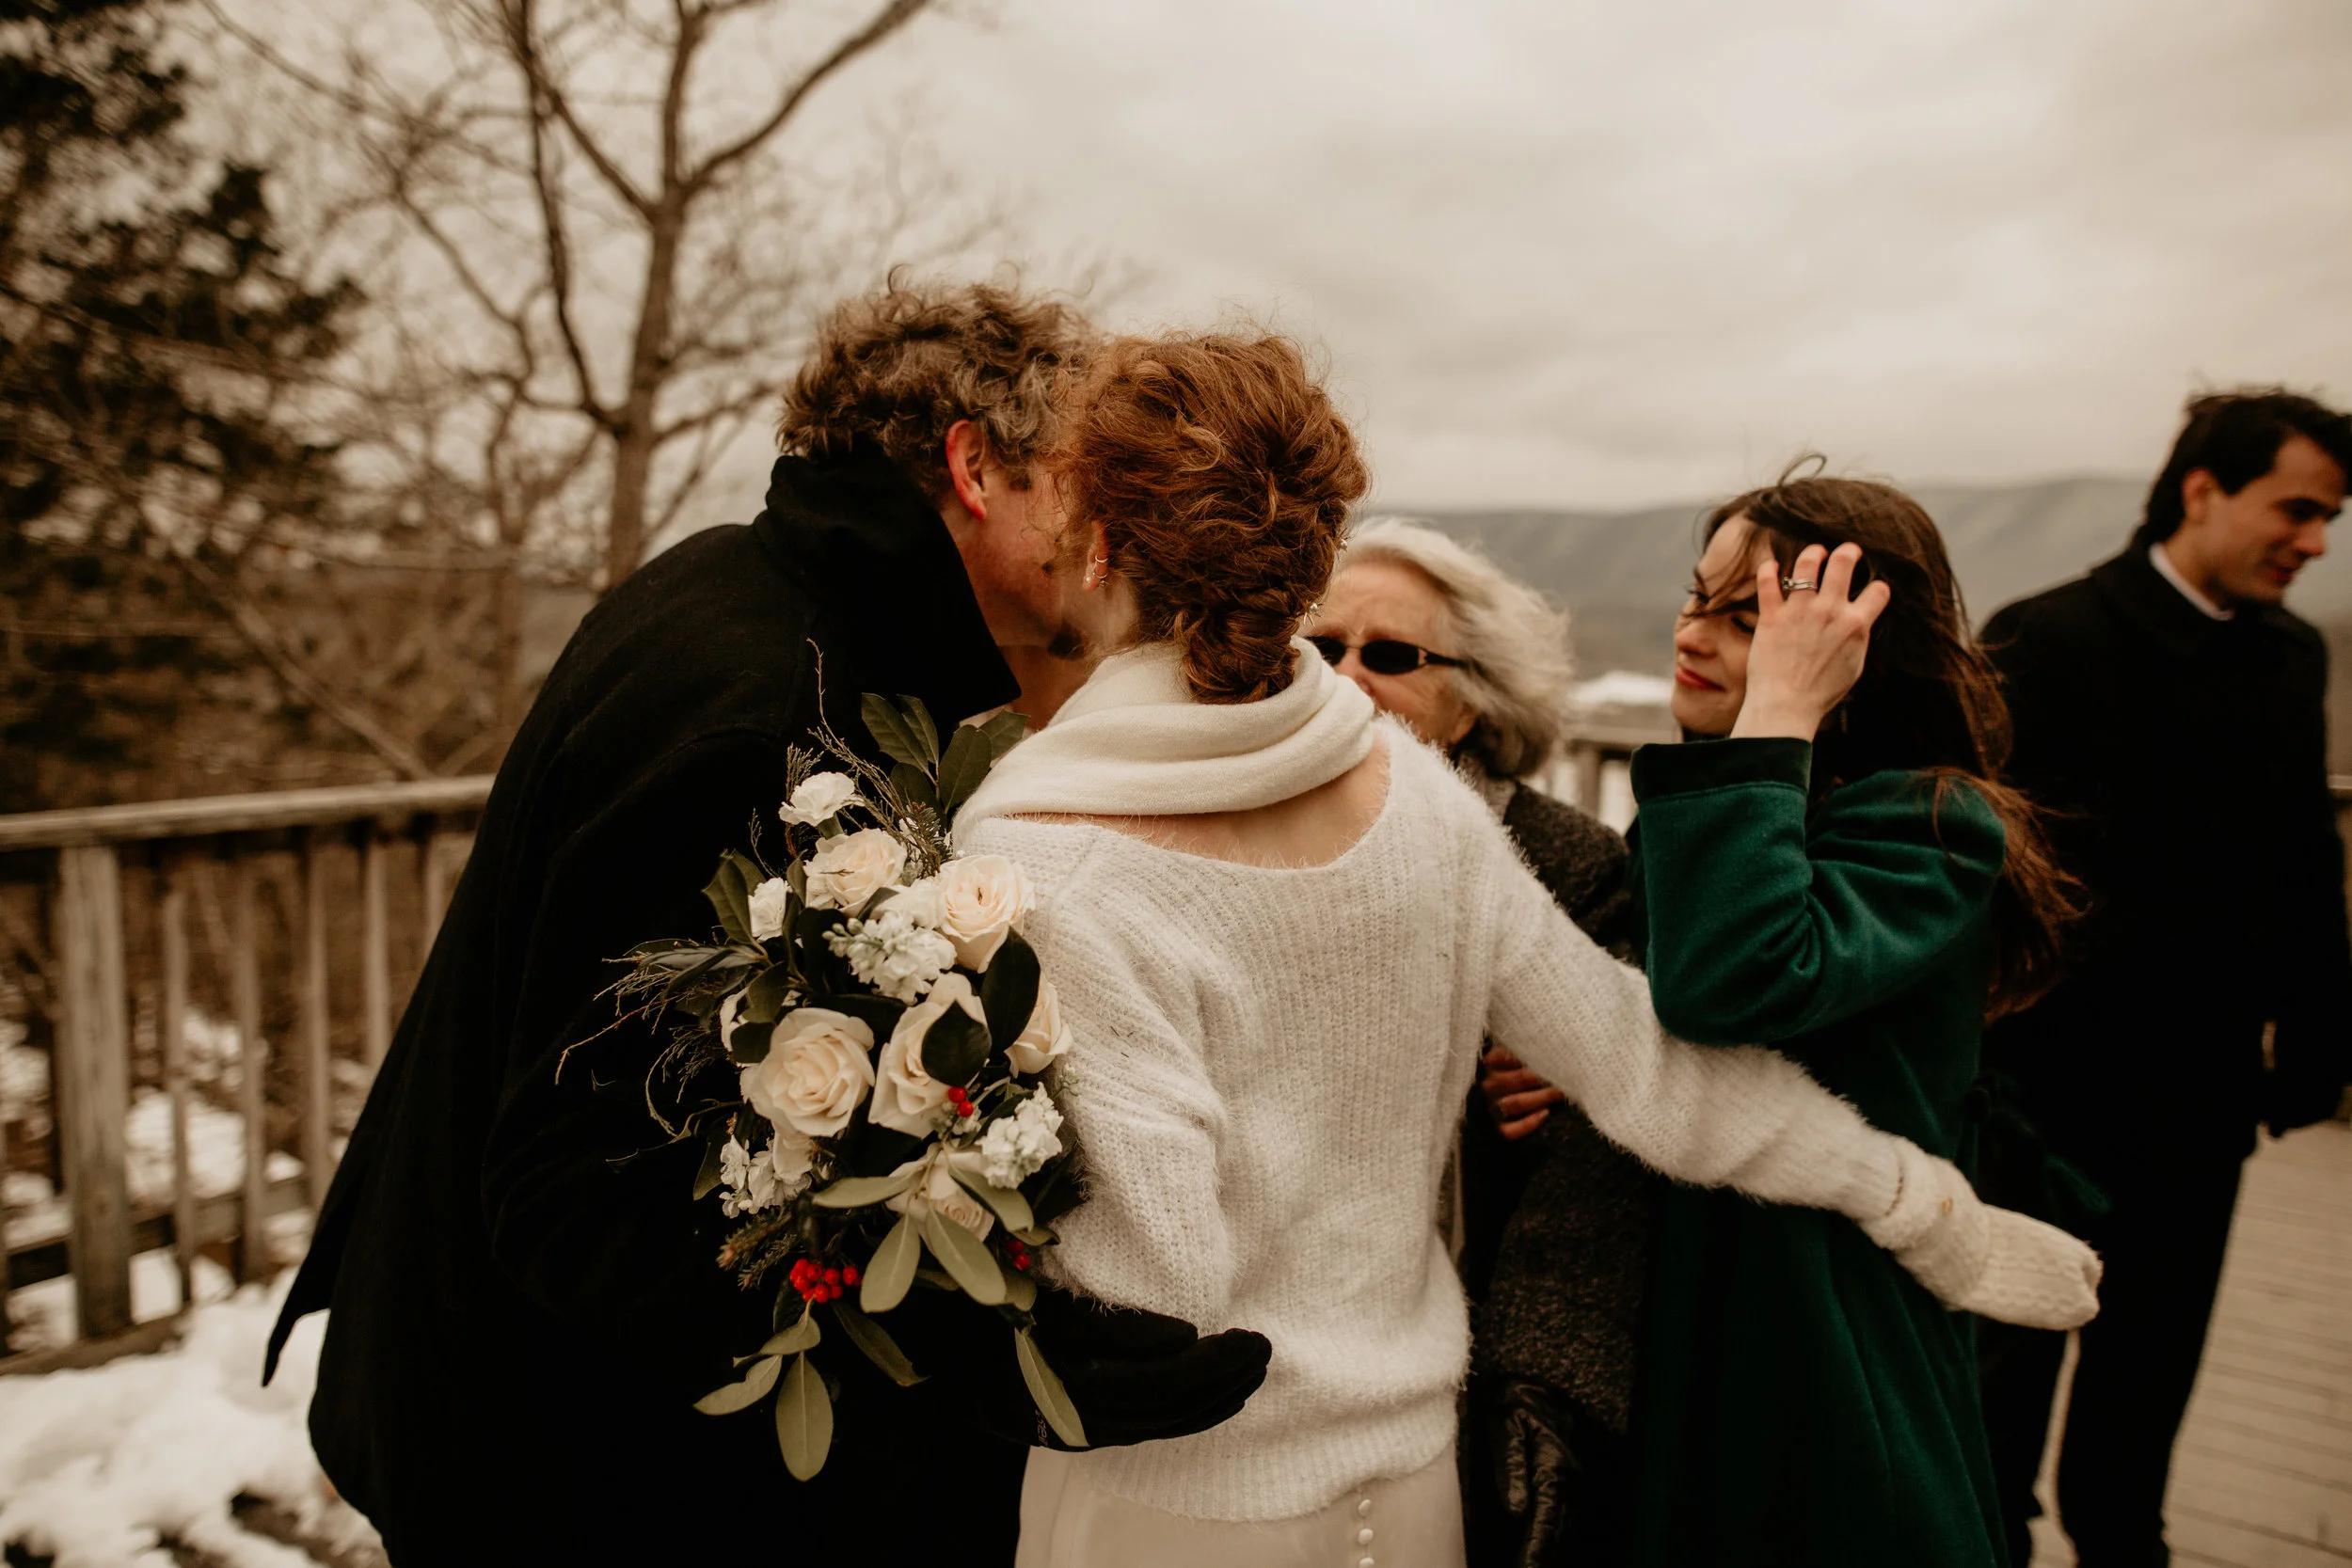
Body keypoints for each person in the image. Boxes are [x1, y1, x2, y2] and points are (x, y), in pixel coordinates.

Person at [949, 335, 2102, 1566]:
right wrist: (1920, 1202)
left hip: (1187, 1499)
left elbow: (1161, 1279)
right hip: (1406, 1476)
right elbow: (1657, 1075)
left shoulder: (1046, 848)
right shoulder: (1424, 804)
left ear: (1102, 542)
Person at [260, 278, 1275, 1566]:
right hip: (564, 1472)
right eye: (1084, 481)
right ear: (977, 468)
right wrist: (988, 1343)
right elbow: (576, 1188)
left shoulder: (753, 590)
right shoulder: (761, 707)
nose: (1106, 527)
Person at [1623, 470, 2087, 1568]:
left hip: (1820, 1328)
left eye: (1753, 619)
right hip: (1696, 1297)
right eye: (1699, 598)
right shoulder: (1719, 803)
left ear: (1853, 648)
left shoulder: (1928, 821)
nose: (1697, 634)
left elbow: (1733, 980)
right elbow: (1686, 1025)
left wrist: (1778, 708)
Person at [1976, 389, 2352, 1566]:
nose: (2315, 540)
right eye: (2295, 508)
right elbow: (1979, 875)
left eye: (2329, 517)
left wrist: (2318, 1034)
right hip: (2042, 1095)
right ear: (2201, 488)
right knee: (2003, 1385)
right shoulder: (2044, 637)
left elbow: (2302, 854)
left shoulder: (2293, 655)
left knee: (2147, 1387)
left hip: (2201, 1097)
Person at [1305, 520, 1659, 1565]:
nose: (1346, 677)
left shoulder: (1565, 863)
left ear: (1475, 698)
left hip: (1464, 1338)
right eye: (1321, 649)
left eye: (1391, 656)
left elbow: (1590, 1172)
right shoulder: (1236, 822)